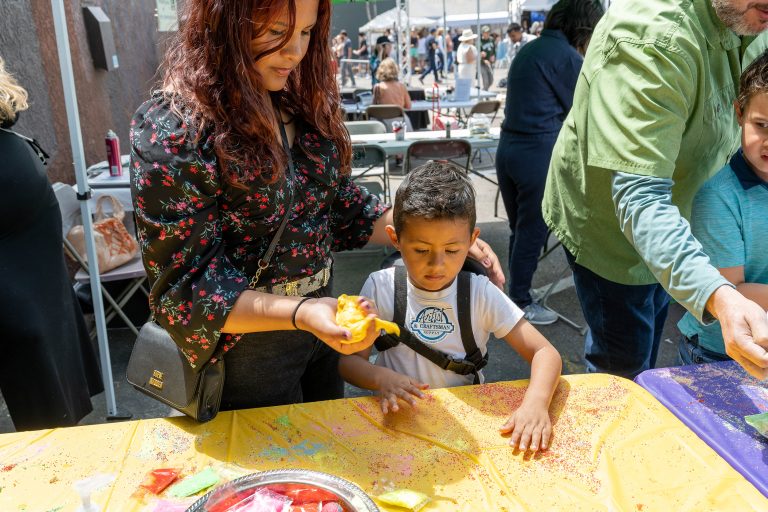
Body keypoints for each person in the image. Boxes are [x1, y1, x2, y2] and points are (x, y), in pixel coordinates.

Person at [130, 0, 505, 411]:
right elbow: (188, 289)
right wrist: (302, 313)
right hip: (243, 353)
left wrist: (442, 239)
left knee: (325, 444)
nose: (295, 51)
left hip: (322, 329)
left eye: (306, 32)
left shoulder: (295, 105)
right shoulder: (176, 127)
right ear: (225, 24)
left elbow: (343, 208)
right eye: (277, 32)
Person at [541, 0, 768, 380]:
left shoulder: (746, 15)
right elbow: (640, 196)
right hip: (612, 232)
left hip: (677, 219)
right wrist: (720, 296)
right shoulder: (654, 39)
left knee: (655, 321)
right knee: (622, 365)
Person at [339, 163, 562, 452]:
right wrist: (380, 378)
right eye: (421, 250)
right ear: (395, 239)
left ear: (472, 241)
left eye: (453, 250)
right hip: (399, 422)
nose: (437, 264)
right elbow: (348, 362)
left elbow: (545, 352)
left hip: (465, 428)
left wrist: (535, 404)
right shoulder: (380, 287)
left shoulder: (480, 293)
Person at [0, 57, 103, 430]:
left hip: (21, 287)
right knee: (40, 350)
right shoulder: (9, 136)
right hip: (35, 282)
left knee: (45, 418)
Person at [496, 1, 604, 326]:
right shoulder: (565, 56)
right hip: (536, 154)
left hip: (509, 149)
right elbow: (586, 112)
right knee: (531, 232)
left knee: (521, 230)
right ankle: (519, 300)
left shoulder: (531, 49)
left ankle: (513, 295)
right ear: (585, 26)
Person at [677, 50, 768, 365]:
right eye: (762, 125)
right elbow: (730, 290)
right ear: (739, 113)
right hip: (719, 352)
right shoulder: (719, 197)